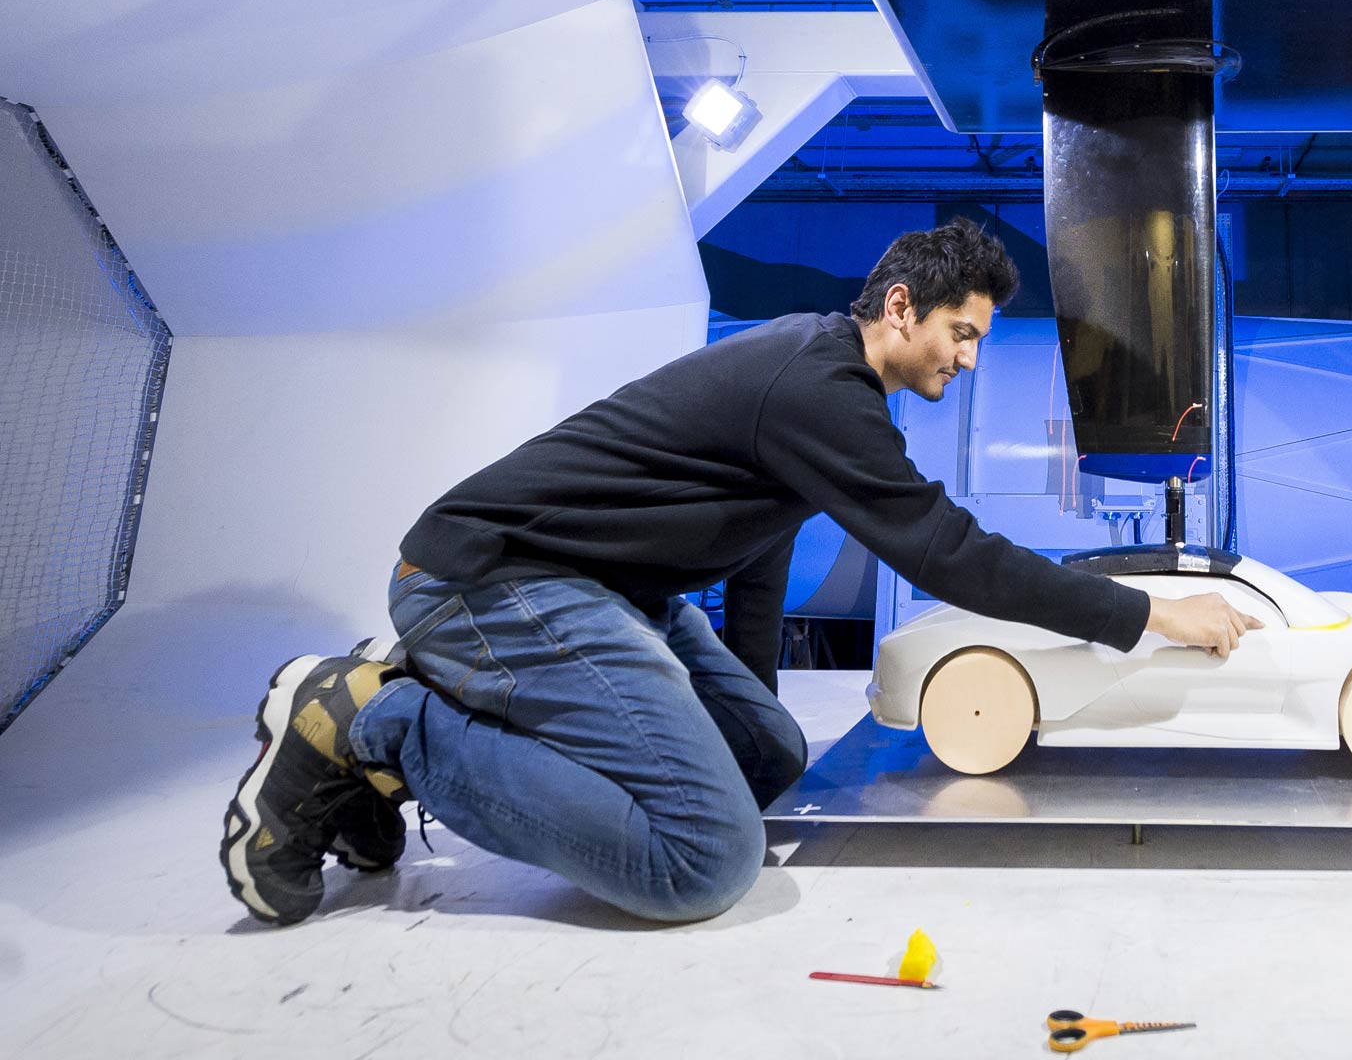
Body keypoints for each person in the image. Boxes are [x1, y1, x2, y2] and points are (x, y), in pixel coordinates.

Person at [218, 218, 1262, 926]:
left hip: (598, 594)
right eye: (962, 333)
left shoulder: (815, 378)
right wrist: (1149, 613)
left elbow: (758, 557)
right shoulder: (821, 389)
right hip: (492, 581)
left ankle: (425, 705)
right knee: (703, 860)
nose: (970, 357)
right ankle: (379, 722)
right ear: (901, 307)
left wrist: (722, 726)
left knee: (767, 760)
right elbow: (945, 551)